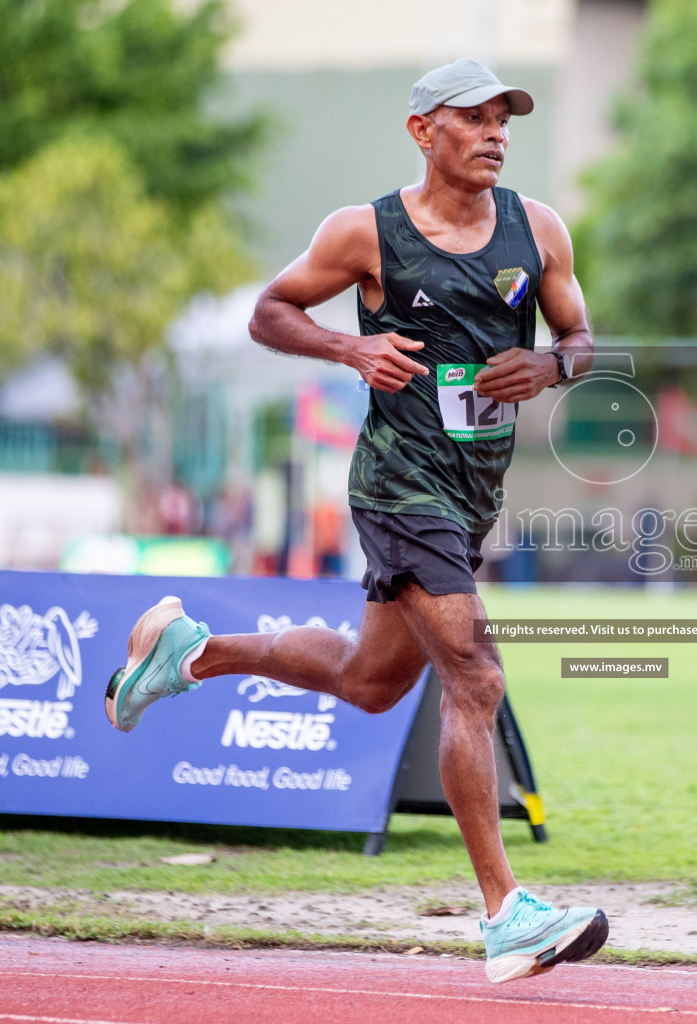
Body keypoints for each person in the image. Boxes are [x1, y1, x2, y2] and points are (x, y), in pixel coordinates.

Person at [104, 59, 604, 984]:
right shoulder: (364, 232)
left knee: (370, 681)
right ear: (423, 131)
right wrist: (349, 344)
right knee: (475, 674)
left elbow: (580, 338)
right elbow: (268, 312)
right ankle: (506, 914)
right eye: (475, 118)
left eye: (505, 119)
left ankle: (191, 651)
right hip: (398, 485)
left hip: (469, 495)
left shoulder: (539, 231)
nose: (496, 133)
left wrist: (553, 368)